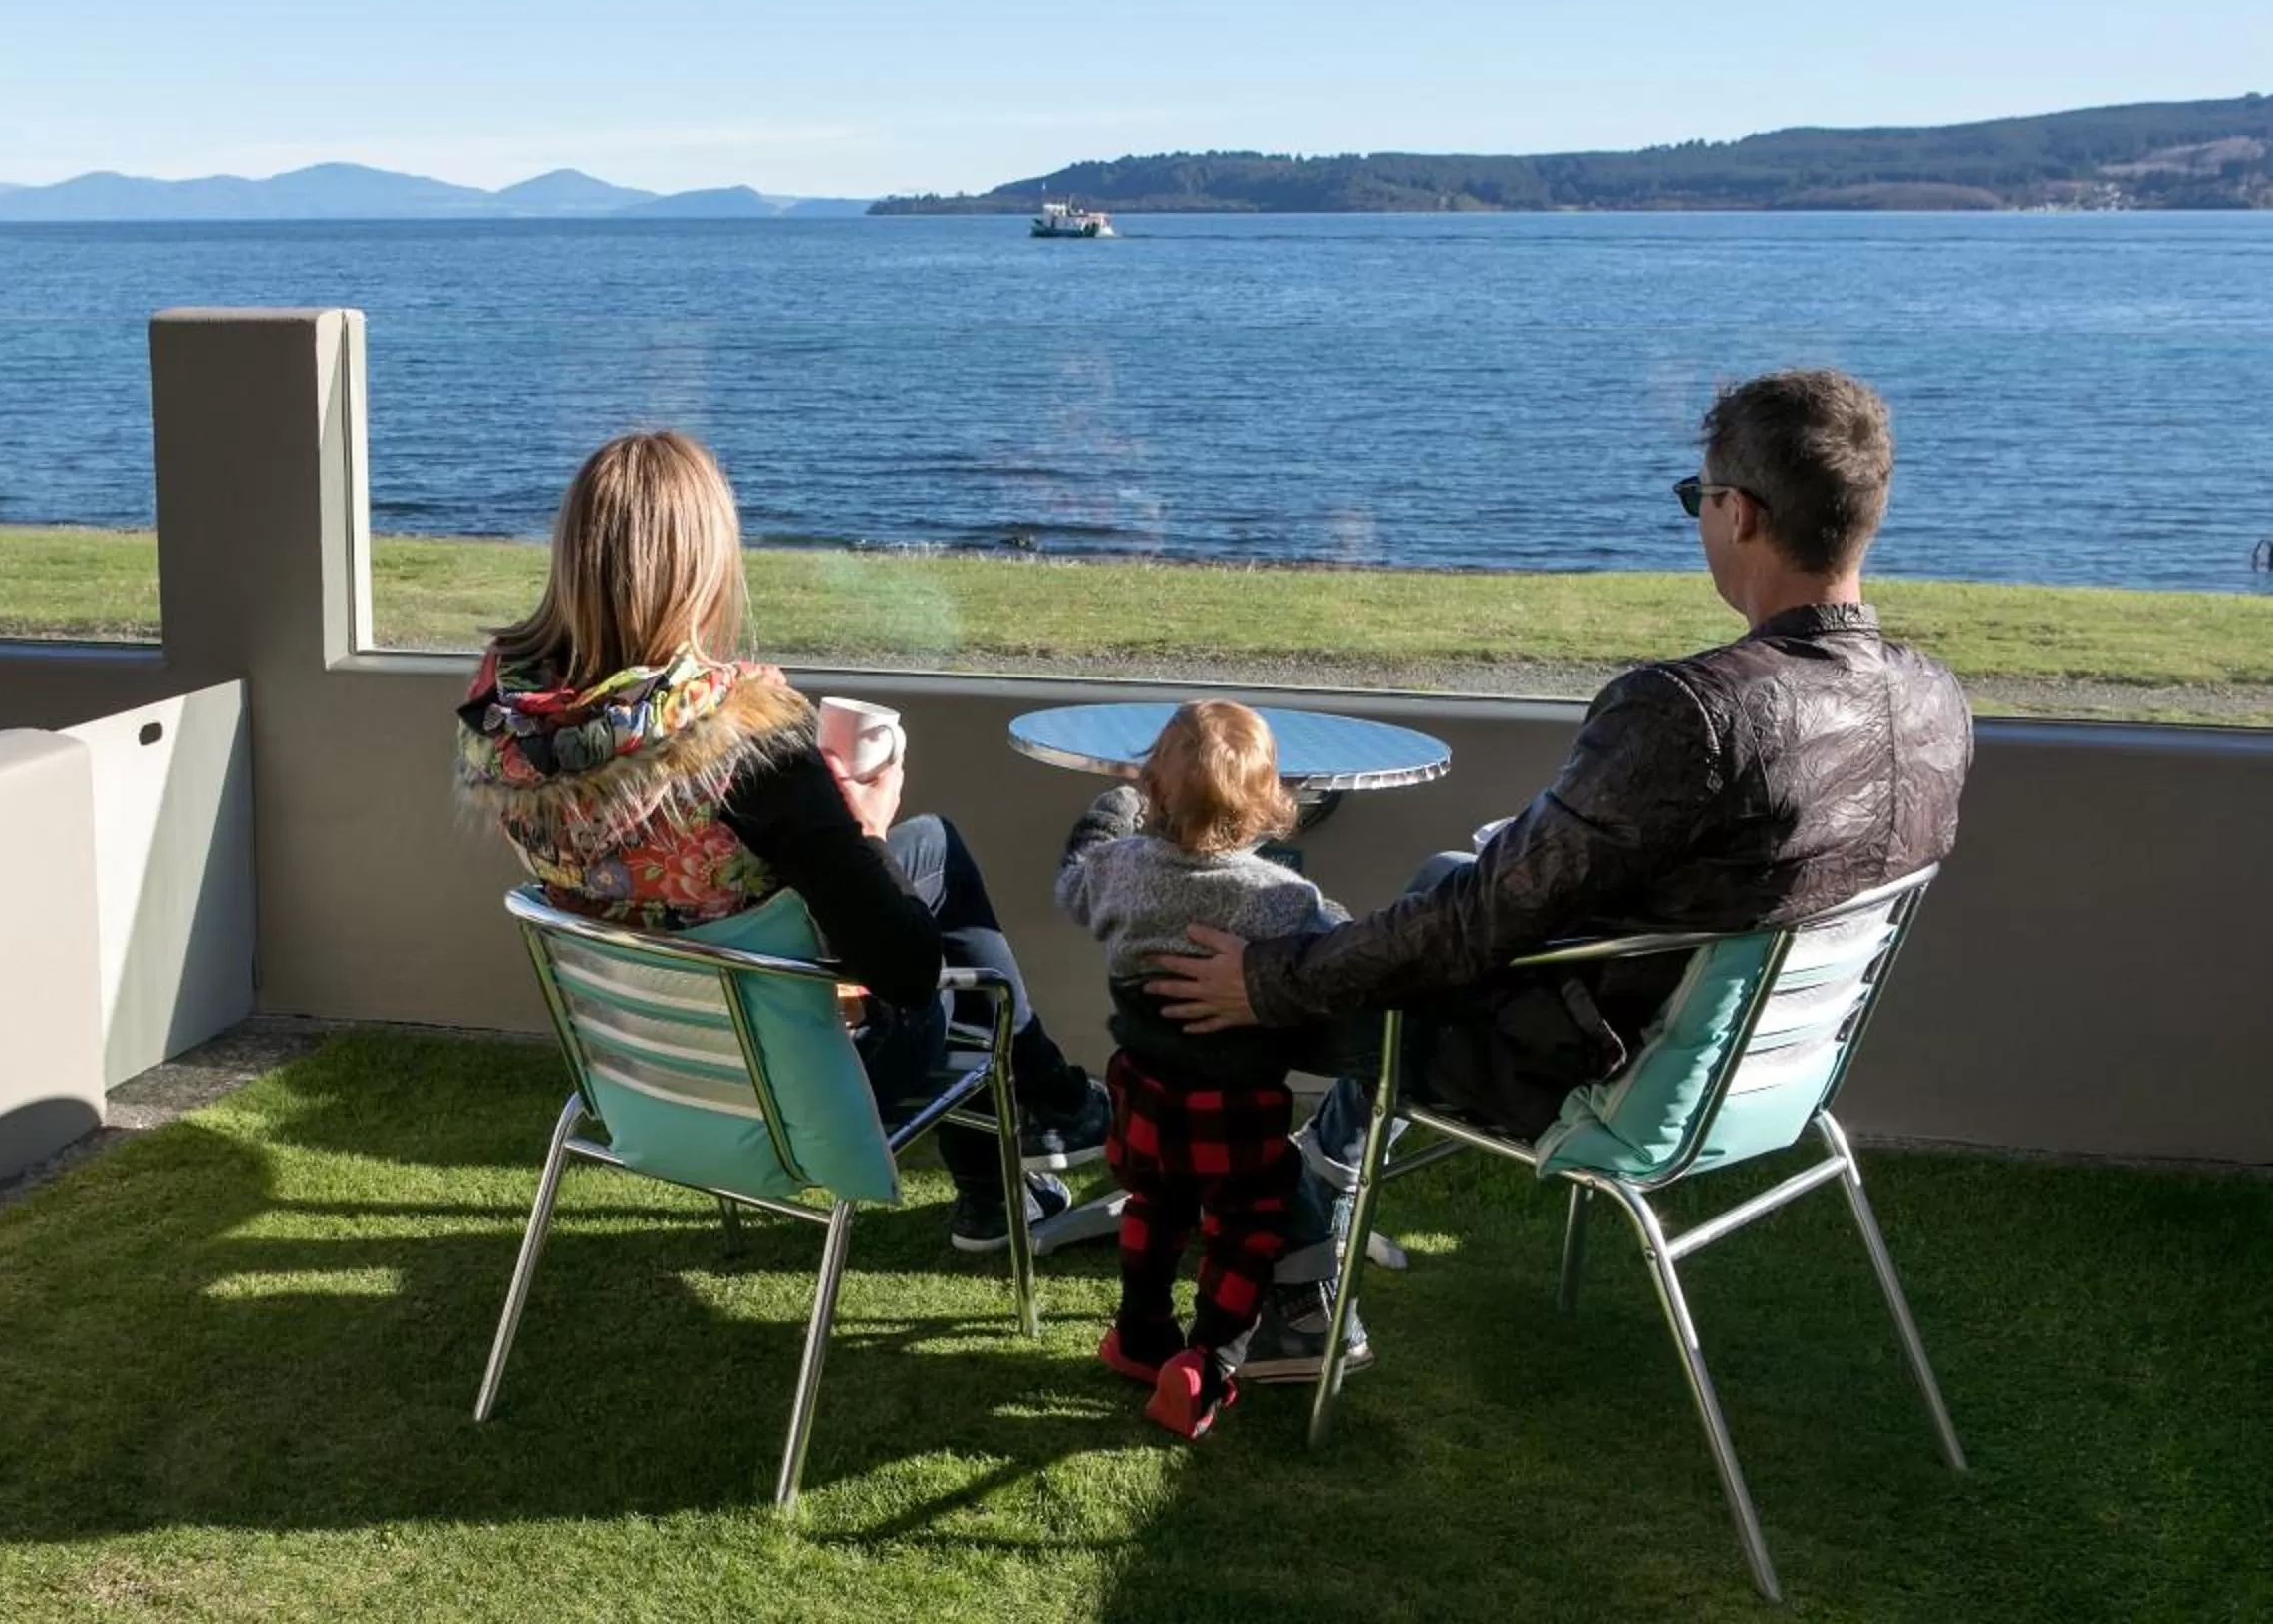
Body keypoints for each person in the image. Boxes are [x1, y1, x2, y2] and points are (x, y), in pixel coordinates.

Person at [1147, 368, 1975, 1346]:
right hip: (1771, 1077)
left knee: (1351, 973)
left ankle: (1279, 1257)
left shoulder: (1689, 708)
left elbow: (1480, 922)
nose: (1700, 521)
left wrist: (1273, 981)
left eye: (1696, 501)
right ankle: (1311, 1204)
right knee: (1436, 890)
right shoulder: (1934, 699)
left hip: (1608, 1074)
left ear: (1741, 513)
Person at [456, 429, 1112, 1252]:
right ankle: (1036, 1134)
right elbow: (905, 974)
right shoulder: (741, 738)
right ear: (701, 564)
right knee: (960, 962)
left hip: (637, 1072)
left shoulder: (505, 719)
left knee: (931, 848)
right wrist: (862, 826)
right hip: (786, 1089)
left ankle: (1044, 1127)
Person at [1055, 700, 1348, 1440]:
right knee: (1245, 1229)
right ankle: (1209, 1359)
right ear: (1269, 805)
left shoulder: (1118, 871)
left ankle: (1140, 1334)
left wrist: (1110, 807)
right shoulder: (1284, 899)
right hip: (1239, 1110)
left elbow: (1072, 881)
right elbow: (1344, 951)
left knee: (1153, 1209)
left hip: (1146, 1094)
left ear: (1153, 789)